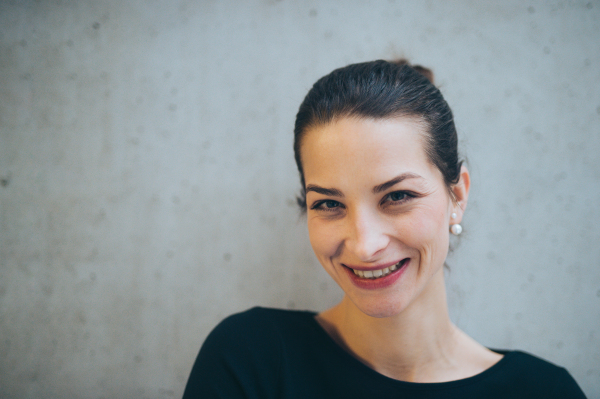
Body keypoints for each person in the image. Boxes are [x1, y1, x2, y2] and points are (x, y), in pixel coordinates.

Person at [182, 60, 586, 398]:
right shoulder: (250, 359)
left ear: (457, 195)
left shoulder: (544, 390)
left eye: (397, 197)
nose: (365, 244)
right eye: (329, 204)